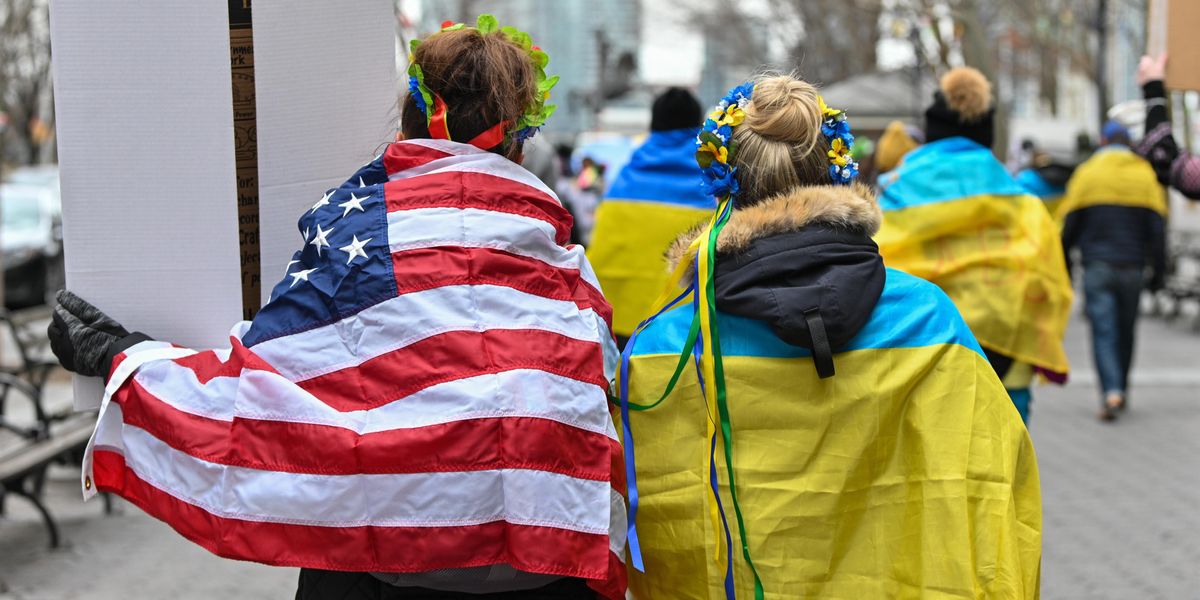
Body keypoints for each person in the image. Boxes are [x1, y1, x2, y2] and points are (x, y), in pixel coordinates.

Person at [48, 16, 626, 600]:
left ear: (411, 120)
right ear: (517, 141)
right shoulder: (563, 260)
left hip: (397, 567)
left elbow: (260, 391)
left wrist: (121, 358)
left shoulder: (362, 232)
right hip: (546, 567)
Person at [618, 74, 1041, 598]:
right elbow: (995, 492)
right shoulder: (930, 320)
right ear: (835, 169)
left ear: (725, 181)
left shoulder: (667, 345)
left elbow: (658, 523)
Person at [874, 67, 1074, 423]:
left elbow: (875, 272)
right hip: (1005, 368)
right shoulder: (1023, 204)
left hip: (918, 363)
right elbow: (1050, 281)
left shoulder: (891, 194)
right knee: (1005, 473)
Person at [1059, 117, 1168, 421]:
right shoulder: (1144, 175)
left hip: (1097, 268)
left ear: (1104, 142)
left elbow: (1068, 231)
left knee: (1104, 331)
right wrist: (1159, 274)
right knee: (1126, 331)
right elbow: (1158, 232)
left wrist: (1065, 270)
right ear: (1129, 144)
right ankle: (1122, 388)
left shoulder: (1087, 174)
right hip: (1132, 268)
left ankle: (1111, 390)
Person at [587, 87, 713, 344]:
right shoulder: (712, 184)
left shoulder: (625, 178)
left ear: (654, 123)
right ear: (699, 124)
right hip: (687, 328)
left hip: (623, 327)